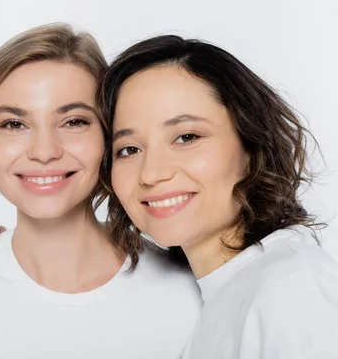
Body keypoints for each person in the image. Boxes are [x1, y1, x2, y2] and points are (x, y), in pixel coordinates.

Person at [0, 24, 202, 359]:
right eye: (14, 124)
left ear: (109, 133)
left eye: (73, 121)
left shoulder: (188, 293)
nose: (44, 151)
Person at [99, 35, 338, 358]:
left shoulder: (292, 285)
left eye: (186, 137)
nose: (151, 173)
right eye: (129, 149)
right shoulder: (216, 299)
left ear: (251, 148)